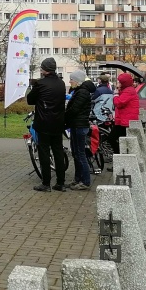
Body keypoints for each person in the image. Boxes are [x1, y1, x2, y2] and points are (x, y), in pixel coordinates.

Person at [27, 58, 68, 192]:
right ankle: (60, 183)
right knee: (58, 152)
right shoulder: (61, 83)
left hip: (44, 123)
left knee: (44, 152)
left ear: (44, 70)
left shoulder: (40, 84)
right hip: (58, 123)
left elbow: (30, 100)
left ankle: (46, 183)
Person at [64, 70, 92, 190]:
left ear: (77, 81)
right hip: (76, 125)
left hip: (80, 126)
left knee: (80, 154)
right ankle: (77, 179)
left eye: (71, 79)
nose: (70, 81)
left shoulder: (82, 93)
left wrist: (64, 116)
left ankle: (85, 181)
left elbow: (74, 109)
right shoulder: (79, 91)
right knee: (76, 153)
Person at [112, 72, 139, 155]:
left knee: (113, 139)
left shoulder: (128, 91)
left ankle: (120, 158)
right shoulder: (126, 90)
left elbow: (119, 103)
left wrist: (116, 95)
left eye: (119, 82)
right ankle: (120, 158)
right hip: (123, 120)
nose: (117, 83)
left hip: (125, 121)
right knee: (118, 139)